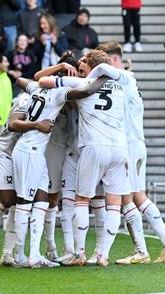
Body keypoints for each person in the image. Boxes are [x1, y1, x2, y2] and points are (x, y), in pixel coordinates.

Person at [86, 42, 165, 264]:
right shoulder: (128, 81)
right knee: (136, 196)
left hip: (128, 145)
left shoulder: (123, 79)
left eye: (106, 61)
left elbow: (103, 74)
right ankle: (159, 245)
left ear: (114, 61)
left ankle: (150, 248)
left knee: (131, 198)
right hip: (136, 143)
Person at [11, 55, 108, 268]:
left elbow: (23, 79)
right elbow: (85, 92)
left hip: (43, 150)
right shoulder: (60, 92)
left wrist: (61, 67)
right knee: (27, 203)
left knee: (44, 201)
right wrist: (107, 73)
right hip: (34, 150)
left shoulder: (37, 87)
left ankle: (39, 252)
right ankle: (20, 255)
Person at [0, 92, 53, 266]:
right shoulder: (27, 98)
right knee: (7, 200)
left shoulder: (54, 99)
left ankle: (7, 253)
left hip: (25, 154)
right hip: (5, 151)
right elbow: (13, 124)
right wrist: (37, 125)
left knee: (20, 200)